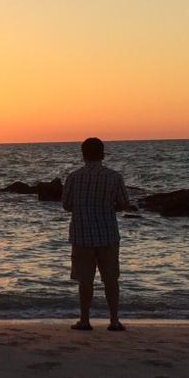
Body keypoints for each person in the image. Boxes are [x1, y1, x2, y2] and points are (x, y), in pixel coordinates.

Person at [61, 137, 134, 331]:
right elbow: (124, 203)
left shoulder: (74, 177)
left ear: (83, 154)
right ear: (102, 154)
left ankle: (84, 320)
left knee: (85, 280)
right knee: (111, 279)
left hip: (82, 234)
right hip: (108, 233)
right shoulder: (114, 177)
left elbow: (66, 205)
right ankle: (114, 320)